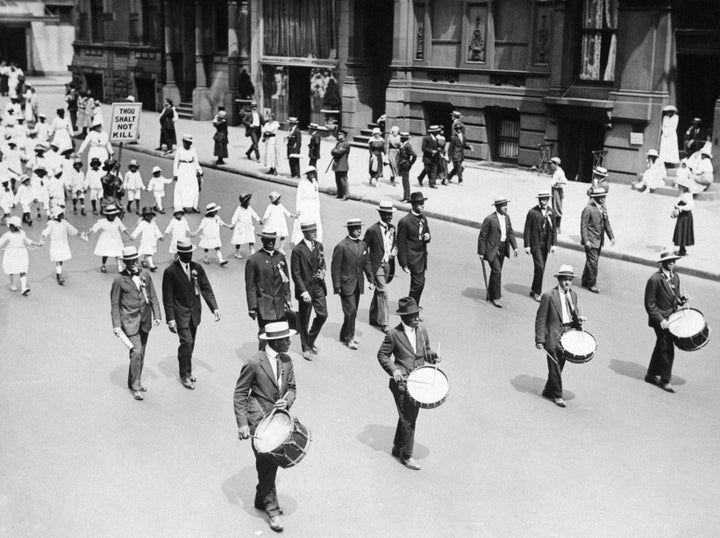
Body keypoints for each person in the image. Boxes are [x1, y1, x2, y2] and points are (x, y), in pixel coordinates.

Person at [233, 321, 297, 534]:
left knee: (270, 465)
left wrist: (286, 401)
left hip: (278, 421)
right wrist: (242, 424)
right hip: (258, 421)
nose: (290, 341)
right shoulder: (253, 363)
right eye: (287, 339)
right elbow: (240, 394)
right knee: (267, 463)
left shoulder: (287, 360)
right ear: (276, 341)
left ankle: (262, 499)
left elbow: (292, 389)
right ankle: (273, 511)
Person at [377, 296, 440, 470]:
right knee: (410, 419)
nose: (416, 318)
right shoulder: (393, 334)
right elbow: (382, 355)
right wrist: (394, 370)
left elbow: (425, 351)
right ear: (404, 317)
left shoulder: (422, 330)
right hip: (402, 384)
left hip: (419, 382)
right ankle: (407, 455)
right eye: (413, 315)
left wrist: (432, 357)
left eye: (417, 314)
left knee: (406, 416)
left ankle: (397, 448)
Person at [162, 240, 220, 389]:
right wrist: (170, 319)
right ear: (179, 254)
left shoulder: (197, 268)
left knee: (191, 344)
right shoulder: (170, 272)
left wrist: (214, 308)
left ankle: (186, 367)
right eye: (186, 253)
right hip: (180, 314)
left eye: (190, 253)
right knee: (186, 342)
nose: (189, 256)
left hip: (195, 313)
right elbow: (167, 297)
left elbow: (206, 288)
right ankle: (185, 374)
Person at [110, 246, 162, 401]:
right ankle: (136, 385)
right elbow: (114, 304)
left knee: (141, 353)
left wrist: (157, 315)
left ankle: (132, 381)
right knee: (137, 351)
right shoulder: (119, 280)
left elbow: (152, 295)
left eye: (135, 260)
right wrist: (116, 325)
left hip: (144, 320)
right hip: (129, 322)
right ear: (125, 262)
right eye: (130, 261)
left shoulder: (145, 274)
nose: (134, 263)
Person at [534, 265, 582, 408]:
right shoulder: (549, 296)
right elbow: (541, 318)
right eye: (565, 279)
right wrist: (539, 340)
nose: (567, 282)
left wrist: (579, 320)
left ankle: (548, 390)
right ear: (559, 280)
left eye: (570, 280)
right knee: (554, 364)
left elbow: (574, 314)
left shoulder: (573, 295)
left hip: (568, 333)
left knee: (560, 364)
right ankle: (558, 395)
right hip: (553, 334)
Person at [644, 249, 688, 394]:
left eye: (673, 261)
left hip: (672, 317)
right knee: (667, 347)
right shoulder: (654, 280)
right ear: (663, 263)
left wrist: (681, 300)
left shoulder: (676, 277)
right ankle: (665, 380)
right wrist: (660, 320)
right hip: (660, 320)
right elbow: (649, 304)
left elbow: (674, 297)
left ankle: (651, 374)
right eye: (669, 261)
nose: (672, 264)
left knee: (661, 345)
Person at [245, 230, 293, 350]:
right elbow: (250, 285)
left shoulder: (280, 257)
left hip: (279, 305)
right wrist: (252, 307)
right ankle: (262, 359)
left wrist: (287, 298)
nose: (270, 242)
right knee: (264, 335)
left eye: (273, 240)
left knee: (280, 335)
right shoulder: (254, 259)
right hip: (264, 305)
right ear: (262, 241)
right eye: (267, 240)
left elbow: (285, 280)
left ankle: (276, 358)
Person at [331, 218, 371, 350]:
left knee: (352, 312)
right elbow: (335, 268)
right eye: (356, 228)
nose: (359, 230)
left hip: (358, 284)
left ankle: (344, 334)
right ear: (349, 230)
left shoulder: (363, 245)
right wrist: (337, 286)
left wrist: (371, 279)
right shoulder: (341, 246)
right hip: (345, 284)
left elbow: (366, 263)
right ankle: (350, 338)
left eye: (360, 227)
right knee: (351, 311)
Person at [291, 221, 328, 360]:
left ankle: (310, 340)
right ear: (305, 233)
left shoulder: (319, 245)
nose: (316, 233)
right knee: (304, 319)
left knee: (323, 314)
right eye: (313, 231)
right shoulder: (297, 250)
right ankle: (305, 347)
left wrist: (323, 272)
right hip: (305, 290)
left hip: (318, 286)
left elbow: (323, 262)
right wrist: (303, 291)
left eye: (316, 230)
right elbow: (296, 273)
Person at [478, 197, 518, 308]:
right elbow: (482, 236)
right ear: (497, 207)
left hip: (502, 248)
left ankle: (490, 294)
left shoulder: (507, 218)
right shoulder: (490, 219)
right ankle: (496, 297)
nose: (506, 207)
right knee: (497, 271)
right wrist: (481, 252)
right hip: (491, 250)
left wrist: (515, 247)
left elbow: (510, 232)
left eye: (506, 204)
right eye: (503, 205)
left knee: (496, 272)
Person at [363, 200, 397, 333]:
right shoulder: (372, 230)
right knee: (383, 291)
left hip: (388, 264)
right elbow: (364, 249)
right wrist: (367, 270)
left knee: (379, 290)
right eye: (386, 214)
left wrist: (395, 250)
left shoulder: (393, 228)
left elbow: (395, 244)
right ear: (380, 214)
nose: (389, 216)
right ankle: (385, 323)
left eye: (390, 214)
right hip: (376, 265)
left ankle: (373, 316)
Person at [397, 192, 431, 305]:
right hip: (412, 258)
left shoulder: (423, 219)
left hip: (422, 257)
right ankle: (411, 308)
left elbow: (427, 233)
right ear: (413, 205)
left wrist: (428, 237)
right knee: (419, 283)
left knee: (418, 284)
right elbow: (400, 243)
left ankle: (412, 309)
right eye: (420, 204)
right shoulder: (405, 221)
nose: (423, 206)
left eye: (423, 203)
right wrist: (403, 263)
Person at [524, 191, 557, 302]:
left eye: (545, 199)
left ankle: (534, 289)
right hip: (535, 244)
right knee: (540, 268)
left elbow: (553, 231)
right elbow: (527, 229)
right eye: (541, 199)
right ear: (538, 200)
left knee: (539, 269)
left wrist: (554, 244)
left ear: (548, 199)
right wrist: (527, 245)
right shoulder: (532, 212)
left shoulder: (551, 212)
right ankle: (538, 292)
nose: (543, 201)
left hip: (545, 245)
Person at [580, 187, 615, 293]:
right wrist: (586, 240)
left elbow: (606, 224)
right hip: (591, 241)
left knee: (591, 261)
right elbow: (583, 226)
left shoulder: (603, 209)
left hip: (599, 241)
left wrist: (611, 237)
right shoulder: (588, 209)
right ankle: (592, 284)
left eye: (604, 197)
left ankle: (585, 279)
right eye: (601, 197)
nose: (603, 199)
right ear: (596, 197)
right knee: (593, 263)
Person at [0, 215, 42, 295]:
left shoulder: (22, 233)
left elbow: (27, 240)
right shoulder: (7, 234)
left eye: (13, 226)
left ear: (17, 227)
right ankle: (12, 283)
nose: (11, 227)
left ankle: (23, 288)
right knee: (12, 270)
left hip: (22, 253)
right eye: (10, 226)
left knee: (22, 269)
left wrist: (36, 243)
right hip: (11, 253)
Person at [40, 206, 81, 285]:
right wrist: (41, 241)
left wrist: (81, 234)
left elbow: (71, 229)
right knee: (58, 260)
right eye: (61, 214)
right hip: (55, 245)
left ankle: (59, 272)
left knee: (61, 259)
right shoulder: (51, 224)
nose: (63, 215)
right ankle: (59, 275)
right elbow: (45, 233)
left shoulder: (64, 222)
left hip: (63, 244)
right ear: (57, 215)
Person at [88, 203, 131, 273]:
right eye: (111, 215)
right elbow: (94, 228)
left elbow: (123, 228)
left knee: (118, 252)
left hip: (116, 238)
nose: (113, 216)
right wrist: (88, 233)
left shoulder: (117, 220)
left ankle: (120, 267)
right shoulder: (102, 221)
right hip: (106, 239)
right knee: (106, 253)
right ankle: (103, 265)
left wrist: (129, 235)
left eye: (114, 215)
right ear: (107, 215)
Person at [291, 166, 323, 245]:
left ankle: (316, 241)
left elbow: (317, 196)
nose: (312, 174)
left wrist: (318, 206)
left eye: (313, 172)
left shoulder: (315, 183)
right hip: (304, 205)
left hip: (313, 206)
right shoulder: (302, 183)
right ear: (307, 174)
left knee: (316, 223)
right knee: (303, 222)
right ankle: (300, 242)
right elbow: (299, 196)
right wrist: (298, 209)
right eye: (310, 173)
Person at [173, 133, 203, 213]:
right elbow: (176, 163)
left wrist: (200, 170)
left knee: (195, 188)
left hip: (191, 169)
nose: (188, 144)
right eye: (186, 142)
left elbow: (196, 161)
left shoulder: (193, 150)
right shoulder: (179, 150)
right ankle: (180, 206)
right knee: (181, 188)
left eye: (190, 143)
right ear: (183, 141)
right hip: (182, 169)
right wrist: (175, 174)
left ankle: (194, 206)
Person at [194, 202, 230, 266]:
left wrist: (229, 226)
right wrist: (195, 233)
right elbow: (200, 227)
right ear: (210, 212)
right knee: (206, 247)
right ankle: (205, 259)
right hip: (207, 236)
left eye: (216, 210)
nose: (216, 211)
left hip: (215, 236)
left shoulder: (217, 218)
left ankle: (221, 260)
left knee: (217, 247)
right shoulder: (205, 220)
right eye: (215, 210)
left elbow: (222, 223)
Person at [131, 207, 164, 271]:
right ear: (144, 216)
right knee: (141, 253)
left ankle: (146, 263)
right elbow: (137, 230)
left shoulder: (153, 223)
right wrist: (133, 236)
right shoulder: (142, 223)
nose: (149, 216)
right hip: (145, 241)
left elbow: (156, 230)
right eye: (147, 215)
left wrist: (160, 236)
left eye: (150, 215)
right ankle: (136, 264)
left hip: (152, 241)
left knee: (148, 252)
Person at [230, 193, 262, 259]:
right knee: (239, 241)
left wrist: (259, 220)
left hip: (248, 227)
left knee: (251, 240)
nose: (249, 202)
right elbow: (234, 217)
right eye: (247, 201)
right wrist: (233, 224)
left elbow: (254, 214)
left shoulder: (249, 208)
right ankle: (237, 252)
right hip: (241, 227)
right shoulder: (239, 209)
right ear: (244, 202)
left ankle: (253, 253)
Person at [672, 177, 694, 256]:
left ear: (684, 187)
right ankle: (682, 248)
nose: (678, 187)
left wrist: (680, 208)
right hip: (682, 215)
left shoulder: (687, 195)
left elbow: (690, 206)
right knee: (681, 231)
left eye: (680, 186)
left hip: (685, 216)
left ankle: (682, 249)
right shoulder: (682, 194)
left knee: (683, 231)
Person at [331, 129, 351, 200]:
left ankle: (345, 195)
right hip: (337, 164)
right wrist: (335, 151)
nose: (338, 135)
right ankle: (339, 194)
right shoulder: (338, 143)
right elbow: (332, 151)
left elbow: (339, 152)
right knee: (337, 180)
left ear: (343, 135)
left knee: (343, 181)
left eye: (340, 134)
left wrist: (335, 151)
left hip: (342, 165)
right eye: (338, 134)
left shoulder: (346, 144)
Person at [397, 132, 416, 203]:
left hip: (405, 164)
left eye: (402, 138)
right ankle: (405, 197)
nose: (401, 139)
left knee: (405, 181)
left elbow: (414, 155)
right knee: (404, 181)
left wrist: (410, 164)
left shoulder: (407, 146)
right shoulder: (403, 145)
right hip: (402, 164)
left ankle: (407, 198)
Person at [549, 157, 567, 233]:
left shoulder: (560, 172)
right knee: (555, 207)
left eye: (552, 164)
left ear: (556, 164)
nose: (550, 165)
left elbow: (565, 181)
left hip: (557, 190)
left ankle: (557, 227)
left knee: (557, 208)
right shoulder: (556, 171)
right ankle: (555, 226)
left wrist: (558, 183)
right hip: (555, 190)